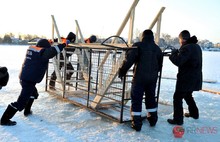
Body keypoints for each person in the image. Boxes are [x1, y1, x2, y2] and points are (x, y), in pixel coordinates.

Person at [0, 39, 67, 126]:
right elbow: (51, 52)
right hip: (28, 81)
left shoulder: (33, 50)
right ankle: (4, 119)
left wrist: (49, 43)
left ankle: (27, 111)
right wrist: (64, 44)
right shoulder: (42, 53)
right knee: (21, 102)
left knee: (33, 94)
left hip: (26, 78)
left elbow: (45, 49)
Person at [118, 29, 163, 131]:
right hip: (152, 79)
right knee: (151, 98)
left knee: (136, 99)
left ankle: (136, 124)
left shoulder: (138, 45)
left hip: (139, 78)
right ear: (152, 37)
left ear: (143, 36)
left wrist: (122, 71)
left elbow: (129, 60)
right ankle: (153, 119)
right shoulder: (157, 49)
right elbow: (160, 66)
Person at [167, 30, 202, 125]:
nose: (179, 42)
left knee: (177, 97)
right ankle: (194, 114)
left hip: (186, 78)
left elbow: (179, 61)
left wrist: (173, 54)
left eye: (179, 40)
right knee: (187, 95)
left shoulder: (187, 48)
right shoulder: (196, 46)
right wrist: (179, 52)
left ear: (182, 39)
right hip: (195, 77)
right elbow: (188, 59)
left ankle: (178, 119)